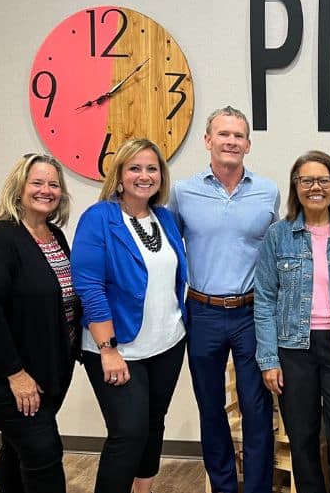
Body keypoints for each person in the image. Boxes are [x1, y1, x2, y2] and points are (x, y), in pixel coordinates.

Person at [0, 153, 81, 493]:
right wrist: (16, 374)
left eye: (53, 184)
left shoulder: (54, 236)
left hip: (45, 371)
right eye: (36, 182)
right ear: (19, 188)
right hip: (1, 374)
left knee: (18, 447)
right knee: (43, 450)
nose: (46, 190)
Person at [168, 105, 278, 493]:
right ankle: (224, 487)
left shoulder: (268, 191)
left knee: (256, 408)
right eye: (223, 134)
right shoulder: (182, 192)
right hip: (203, 312)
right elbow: (170, 251)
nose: (230, 141)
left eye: (238, 135)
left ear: (248, 144)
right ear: (208, 140)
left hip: (251, 313)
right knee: (211, 407)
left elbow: (274, 251)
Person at [254, 150, 330, 493]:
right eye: (306, 180)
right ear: (296, 186)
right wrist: (269, 359)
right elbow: (264, 299)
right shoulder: (278, 235)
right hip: (294, 349)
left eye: (323, 180)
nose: (315, 187)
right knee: (303, 436)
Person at [72, 139, 188, 493]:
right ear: (119, 176)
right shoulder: (99, 218)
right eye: (135, 168)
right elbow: (89, 286)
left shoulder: (163, 218)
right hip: (119, 347)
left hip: (168, 343)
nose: (144, 175)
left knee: (153, 424)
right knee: (128, 433)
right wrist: (107, 349)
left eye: (152, 168)